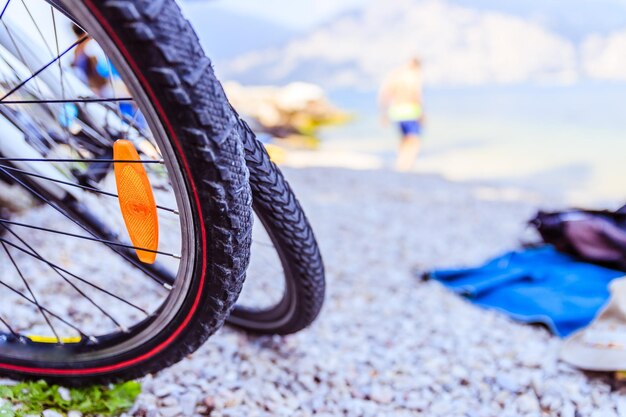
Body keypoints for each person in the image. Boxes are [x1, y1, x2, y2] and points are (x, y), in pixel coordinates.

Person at [379, 58, 425, 172]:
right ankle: (408, 166)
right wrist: (422, 113)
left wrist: (384, 113)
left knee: (404, 140)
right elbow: (417, 96)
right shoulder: (414, 76)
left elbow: (385, 94)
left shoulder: (396, 75)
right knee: (414, 141)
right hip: (410, 112)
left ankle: (400, 165)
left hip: (396, 112)